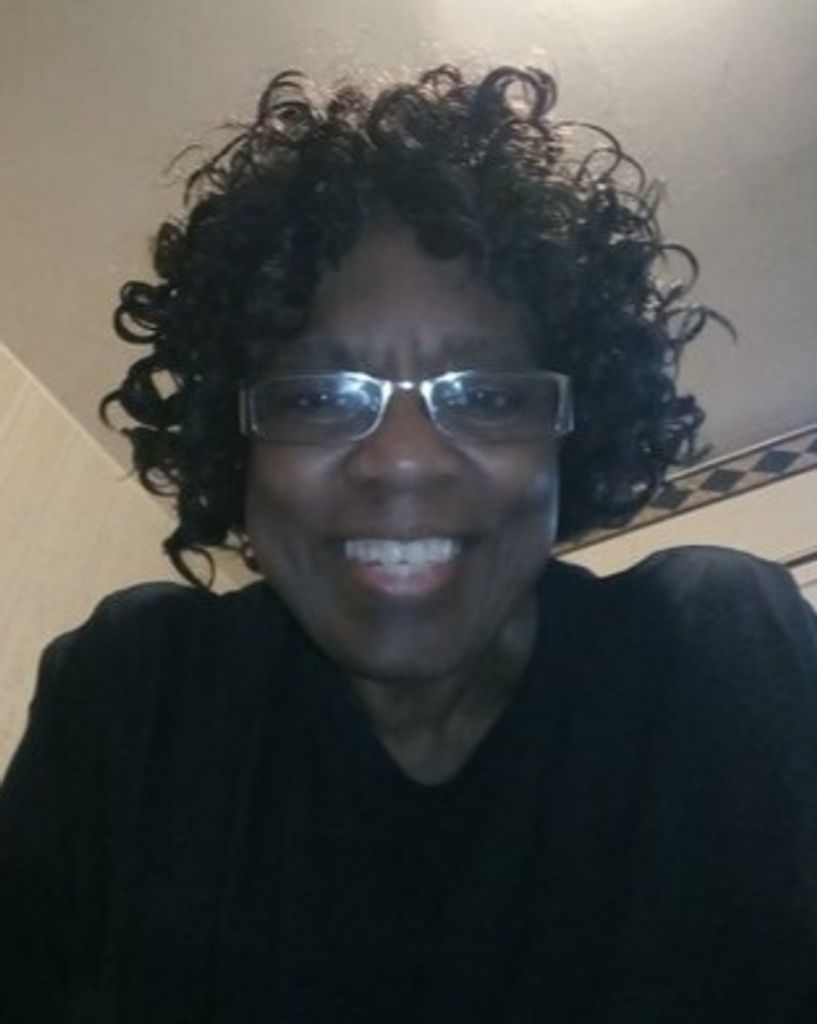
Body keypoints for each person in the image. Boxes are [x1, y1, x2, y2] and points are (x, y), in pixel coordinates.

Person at [1, 64, 815, 1023]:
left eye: (485, 394)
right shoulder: (138, 694)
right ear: (238, 448)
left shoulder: (703, 652)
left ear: (568, 439)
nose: (400, 461)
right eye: (318, 397)